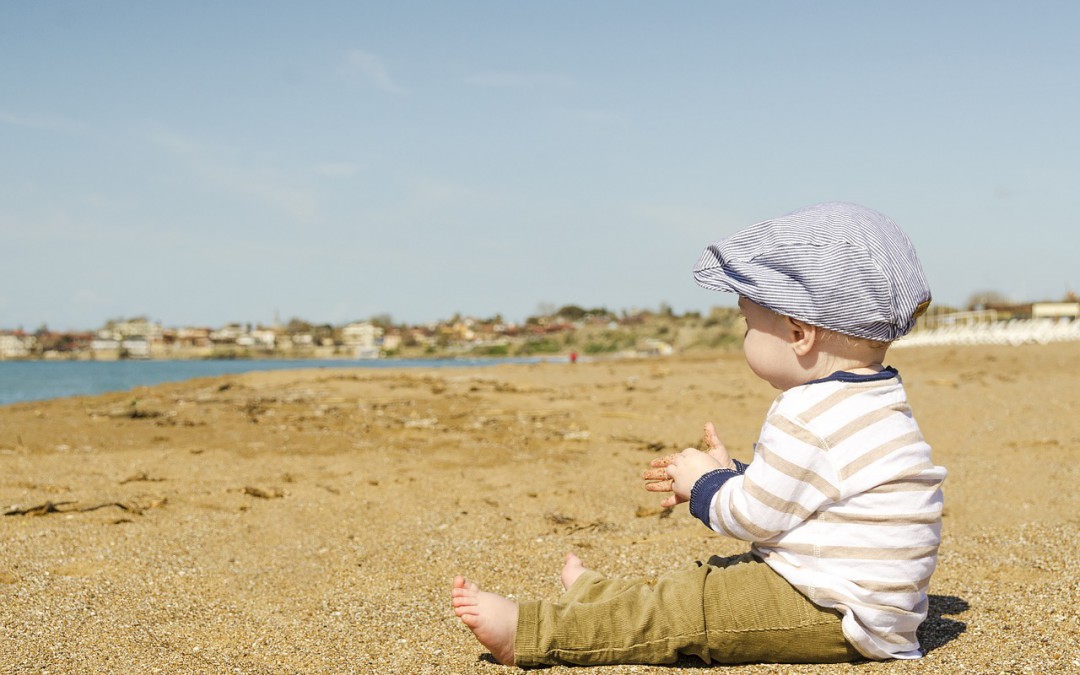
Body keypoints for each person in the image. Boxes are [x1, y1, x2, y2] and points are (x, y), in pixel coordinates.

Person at [451, 202, 946, 666]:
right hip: (868, 604)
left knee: (691, 608)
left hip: (835, 611)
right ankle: (598, 597)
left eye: (749, 324)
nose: (745, 335)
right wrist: (734, 474)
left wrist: (704, 487)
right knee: (708, 580)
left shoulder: (806, 411)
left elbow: (755, 519)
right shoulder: (876, 398)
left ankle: (533, 633)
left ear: (799, 333)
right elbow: (811, 494)